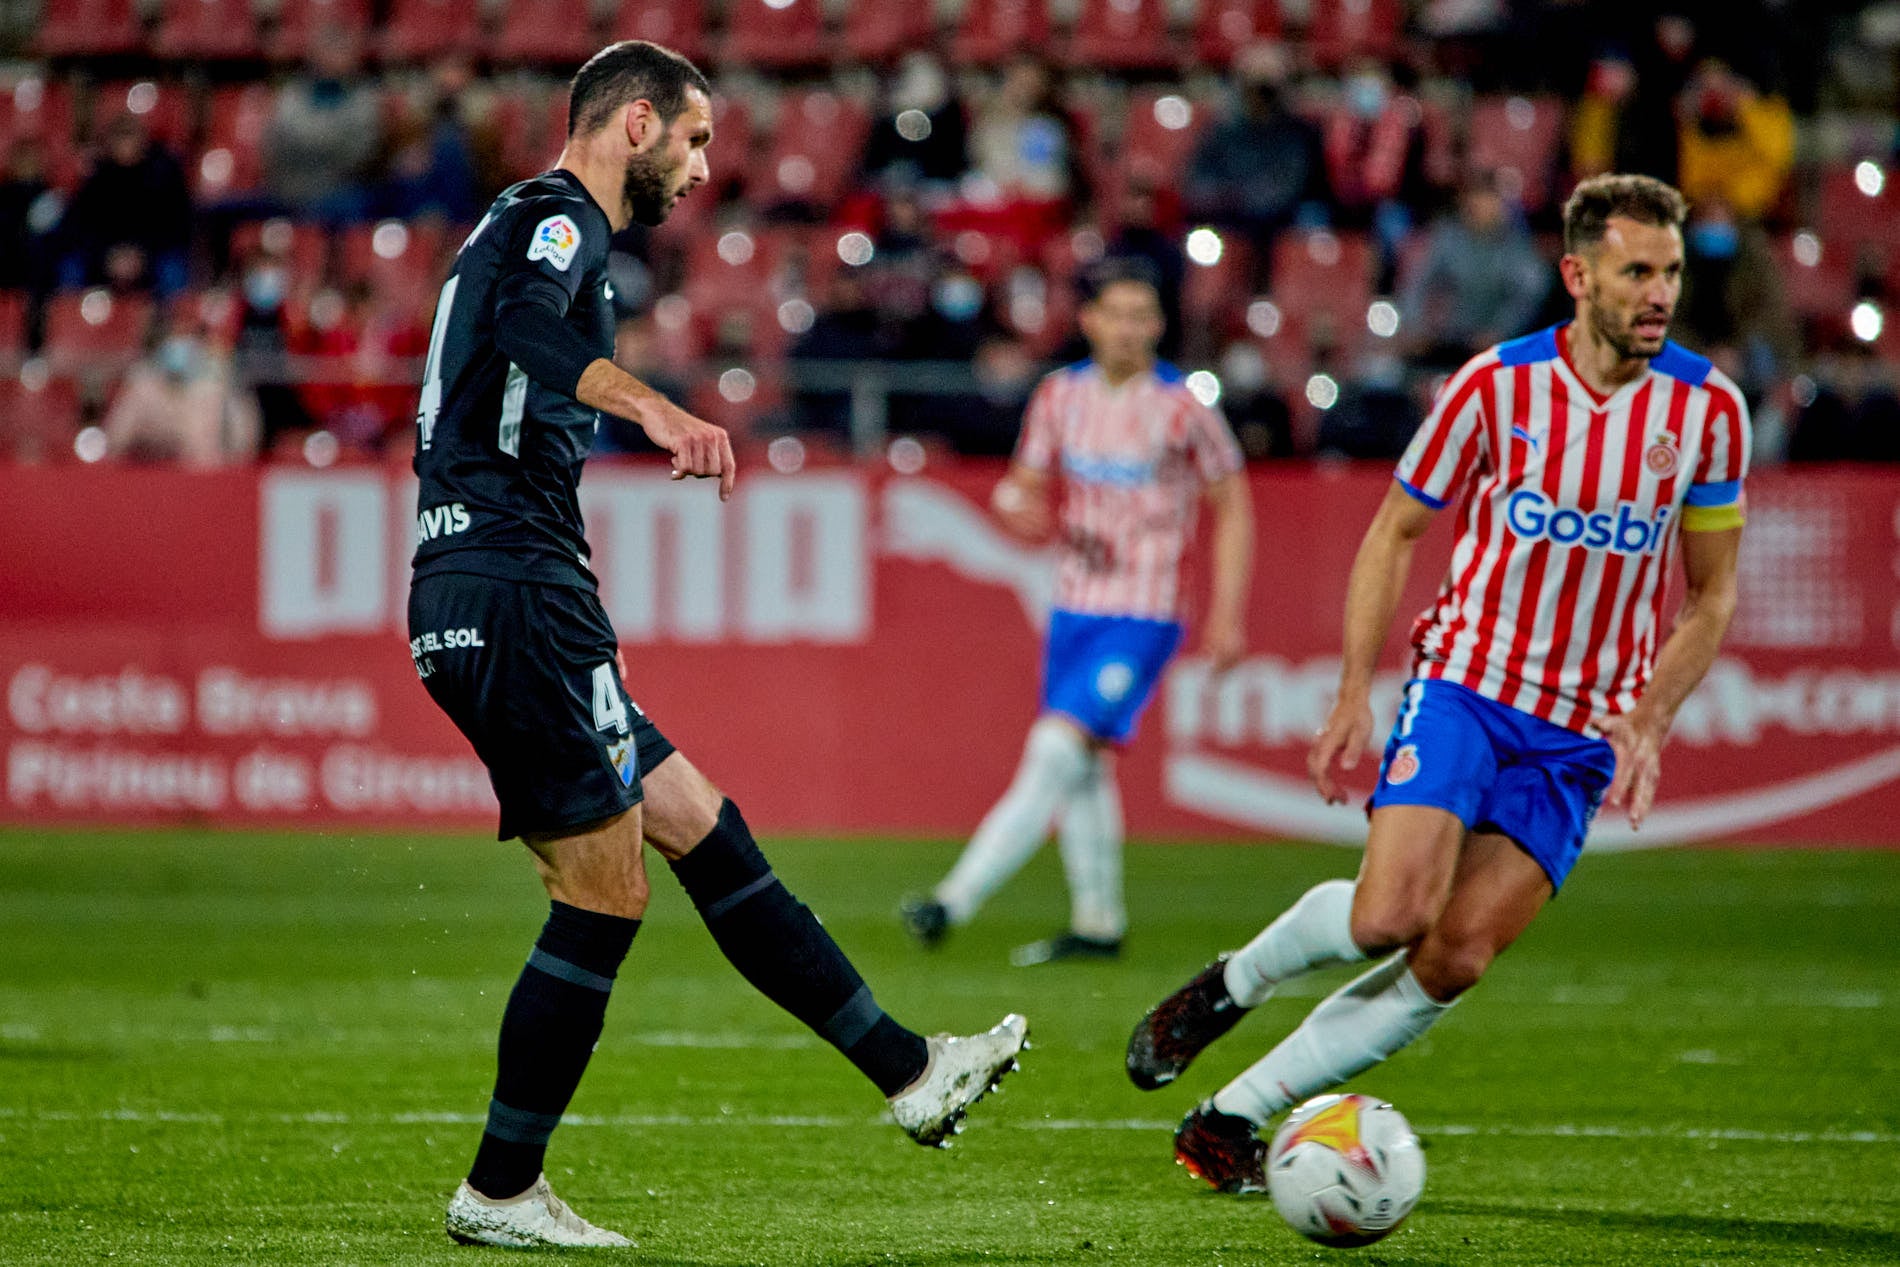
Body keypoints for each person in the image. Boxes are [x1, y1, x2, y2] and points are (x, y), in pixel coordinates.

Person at [408, 41, 1028, 1249]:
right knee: (602, 890)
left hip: (488, 580)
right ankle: (497, 1190)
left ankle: (908, 1071)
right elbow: (534, 332)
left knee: (694, 816)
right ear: (633, 124)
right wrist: (652, 403)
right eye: (692, 141)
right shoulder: (554, 223)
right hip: (513, 586)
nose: (700, 171)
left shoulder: (516, 223)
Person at [1125, 173, 1749, 1191]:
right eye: (1637, 270)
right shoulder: (1495, 387)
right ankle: (1233, 983)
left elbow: (1710, 596)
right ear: (1576, 274)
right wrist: (1350, 692)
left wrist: (1647, 716)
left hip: (1580, 732)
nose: (1658, 293)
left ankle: (1231, 1113)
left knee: (1456, 955)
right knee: (1388, 915)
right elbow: (1394, 532)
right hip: (1469, 682)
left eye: (1670, 271)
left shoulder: (1709, 411)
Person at [900, 259, 1255, 965]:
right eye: (1116, 313)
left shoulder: (1184, 408)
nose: (1130, 328)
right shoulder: (1059, 397)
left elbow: (1233, 501)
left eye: (1143, 315)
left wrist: (1229, 613)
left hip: (1145, 611)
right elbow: (1021, 488)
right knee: (1085, 767)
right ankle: (1099, 921)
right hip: (1073, 608)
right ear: (1089, 319)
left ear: (1159, 325)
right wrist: (1016, 507)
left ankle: (954, 897)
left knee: (1056, 747)